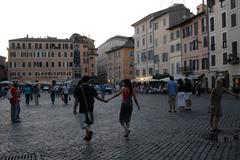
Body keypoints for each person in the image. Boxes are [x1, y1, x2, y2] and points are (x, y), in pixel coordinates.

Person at [77, 76, 107, 141]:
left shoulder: (78, 88)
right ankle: (88, 136)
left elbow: (76, 100)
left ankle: (89, 131)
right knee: (88, 122)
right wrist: (104, 100)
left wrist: (74, 109)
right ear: (88, 81)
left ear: (82, 81)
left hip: (82, 108)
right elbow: (97, 97)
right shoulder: (91, 88)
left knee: (82, 123)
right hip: (90, 108)